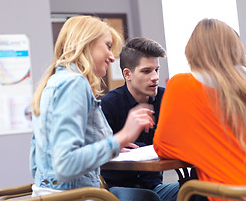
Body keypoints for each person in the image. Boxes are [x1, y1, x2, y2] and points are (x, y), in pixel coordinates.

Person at [29, 16, 161, 201]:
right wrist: (121, 138)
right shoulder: (74, 84)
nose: (112, 57)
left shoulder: (52, 82)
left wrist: (110, 146)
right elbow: (65, 164)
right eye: (108, 46)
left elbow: (37, 164)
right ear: (87, 43)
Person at [153, 18, 246, 201]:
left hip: (230, 195)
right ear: (236, 47)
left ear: (192, 51)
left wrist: (203, 146)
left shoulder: (181, 84)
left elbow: (163, 146)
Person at [101, 37, 179, 201]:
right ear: (127, 74)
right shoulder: (109, 104)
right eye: (146, 71)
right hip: (116, 189)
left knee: (196, 187)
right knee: (146, 197)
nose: (155, 77)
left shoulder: (166, 98)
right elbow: (101, 152)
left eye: (156, 70)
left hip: (155, 187)